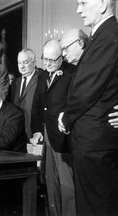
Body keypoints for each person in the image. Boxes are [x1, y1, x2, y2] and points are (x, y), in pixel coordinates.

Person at [58, 0, 118, 215]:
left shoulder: (108, 36)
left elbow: (87, 87)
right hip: (92, 141)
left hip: (95, 142)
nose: (78, 9)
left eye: (83, 2)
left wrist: (65, 118)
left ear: (102, 4)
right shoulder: (101, 36)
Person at [30, 39, 75, 216]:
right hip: (46, 134)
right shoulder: (42, 75)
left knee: (66, 183)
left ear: (61, 58)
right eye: (45, 59)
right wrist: (36, 129)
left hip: (63, 136)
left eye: (52, 60)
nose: (47, 63)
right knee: (49, 180)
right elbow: (37, 104)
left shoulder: (71, 74)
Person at [11, 49, 40, 140]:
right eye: (19, 63)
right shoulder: (16, 82)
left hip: (34, 132)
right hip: (17, 132)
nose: (22, 66)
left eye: (25, 62)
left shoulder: (41, 79)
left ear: (34, 62)